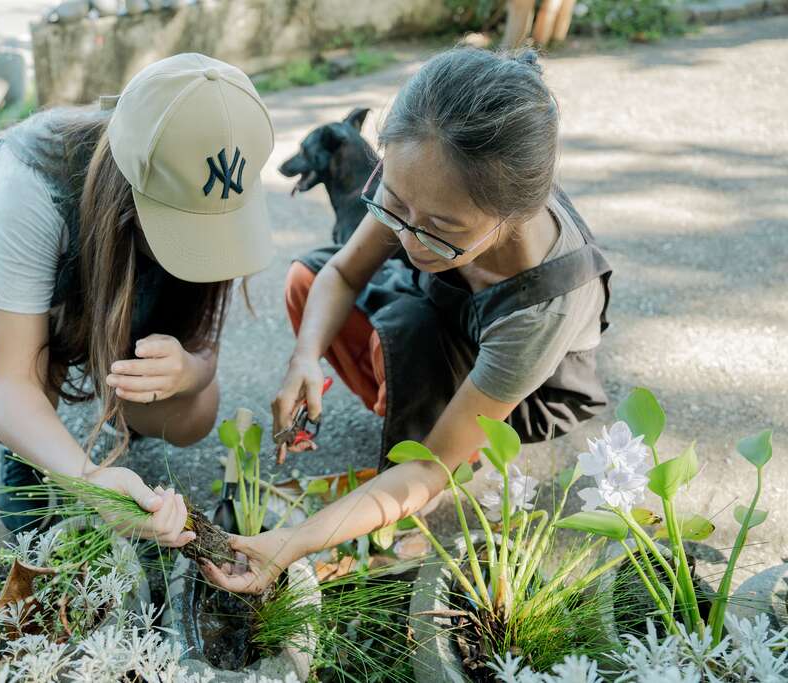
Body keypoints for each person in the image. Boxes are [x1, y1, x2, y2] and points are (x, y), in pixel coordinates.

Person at [201, 47, 613, 593]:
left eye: (441, 226)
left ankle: (441, 430)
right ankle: (403, 399)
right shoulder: (421, 177)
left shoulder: (545, 305)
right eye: (395, 205)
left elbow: (428, 467)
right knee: (309, 278)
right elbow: (343, 275)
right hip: (444, 308)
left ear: (516, 216)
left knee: (407, 341)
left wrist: (294, 542)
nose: (409, 235)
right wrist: (302, 358)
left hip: (521, 394)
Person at [0, 53, 276, 542]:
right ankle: (35, 449)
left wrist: (186, 371)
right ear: (131, 183)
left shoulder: (222, 174)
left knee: (190, 413)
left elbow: (205, 351)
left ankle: (59, 429)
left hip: (117, 254)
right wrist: (92, 481)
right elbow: (6, 383)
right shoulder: (33, 177)